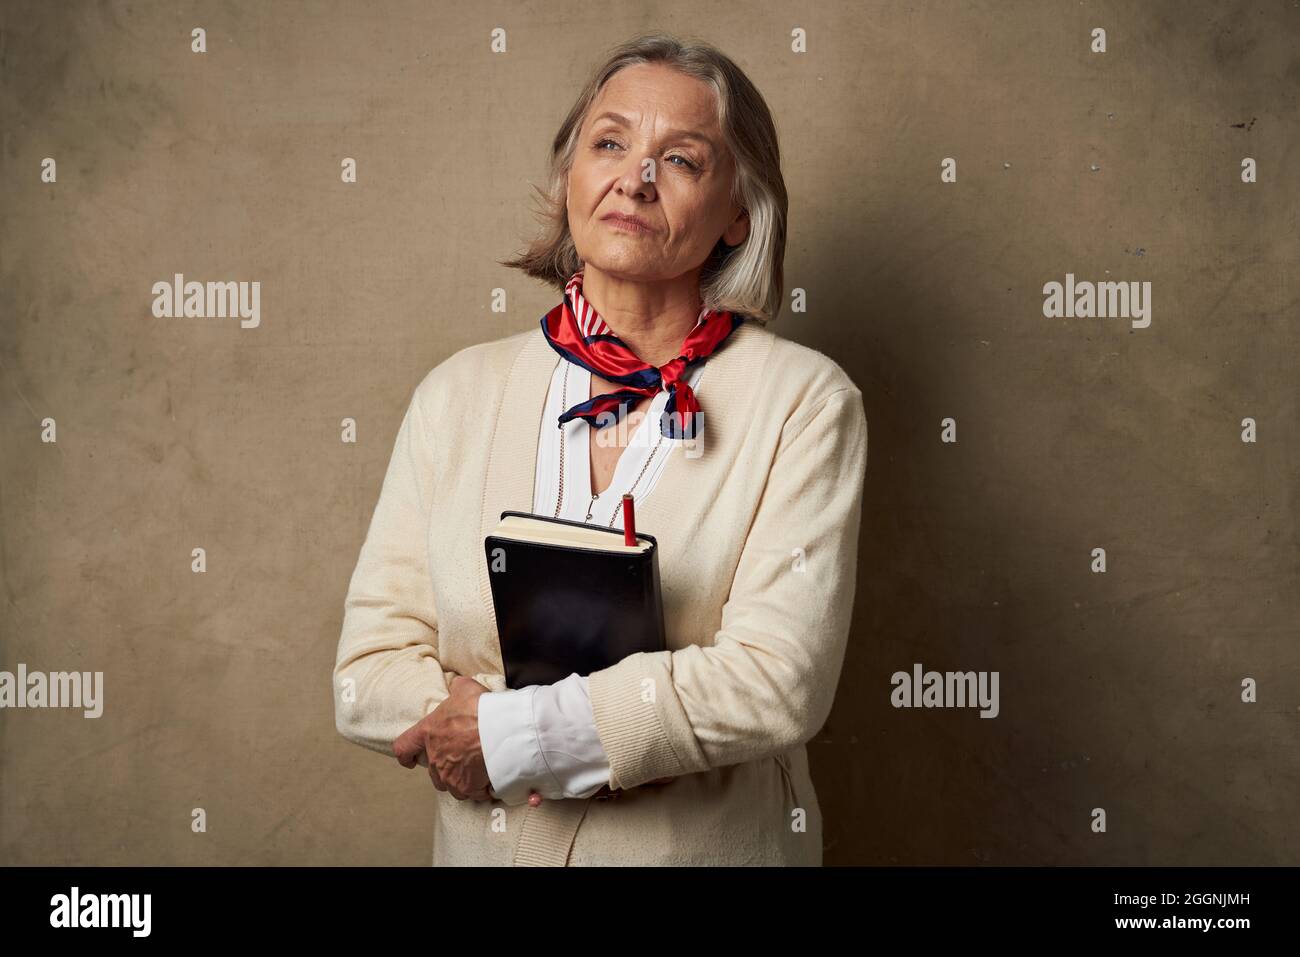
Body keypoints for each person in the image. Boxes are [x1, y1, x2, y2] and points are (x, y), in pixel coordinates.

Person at [333, 32, 868, 866]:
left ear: (740, 211)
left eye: (682, 160)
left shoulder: (806, 402)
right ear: (568, 177)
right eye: (609, 142)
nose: (636, 178)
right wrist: (531, 731)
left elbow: (776, 683)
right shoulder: (455, 394)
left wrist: (515, 736)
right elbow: (365, 675)